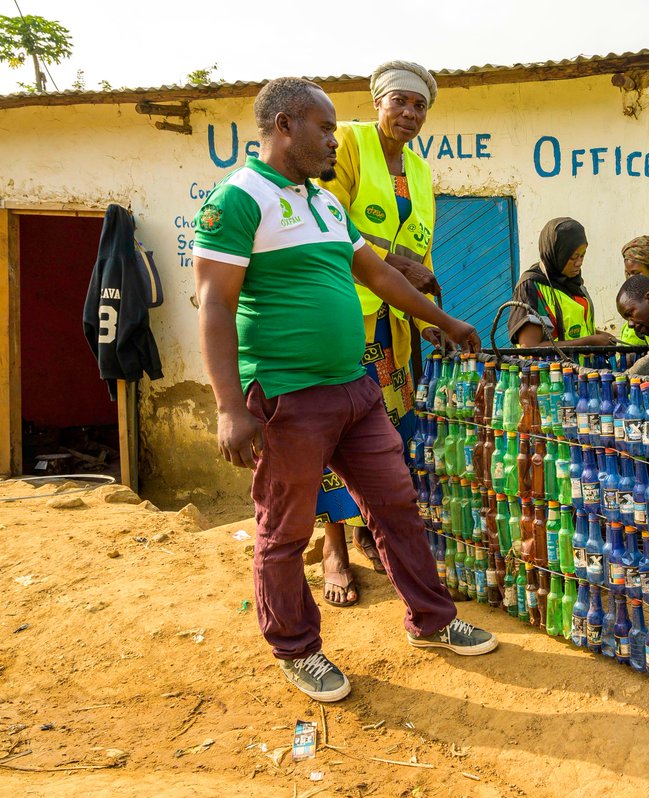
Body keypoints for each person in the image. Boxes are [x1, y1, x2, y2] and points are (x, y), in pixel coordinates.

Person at [193, 77, 497, 704]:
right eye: (325, 127)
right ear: (283, 125)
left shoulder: (325, 205)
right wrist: (228, 406)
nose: (336, 139)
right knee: (284, 531)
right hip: (285, 396)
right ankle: (297, 649)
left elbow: (380, 274)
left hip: (355, 389)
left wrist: (446, 321)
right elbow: (214, 304)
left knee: (396, 507)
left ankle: (432, 620)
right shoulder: (237, 200)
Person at [314, 60, 443, 608]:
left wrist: (430, 314)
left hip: (393, 324)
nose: (410, 113)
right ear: (377, 102)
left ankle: (371, 528)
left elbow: (423, 251)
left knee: (388, 430)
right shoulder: (347, 144)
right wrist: (395, 263)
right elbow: (325, 215)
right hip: (344, 314)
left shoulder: (419, 171)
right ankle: (332, 546)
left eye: (420, 106)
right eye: (400, 101)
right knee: (336, 429)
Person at [507, 217, 618, 347]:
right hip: (552, 367)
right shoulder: (531, 287)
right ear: (556, 253)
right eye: (573, 257)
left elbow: (570, 330)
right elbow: (530, 347)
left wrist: (599, 335)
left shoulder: (574, 283)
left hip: (583, 366)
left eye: (582, 255)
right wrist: (589, 342)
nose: (579, 263)